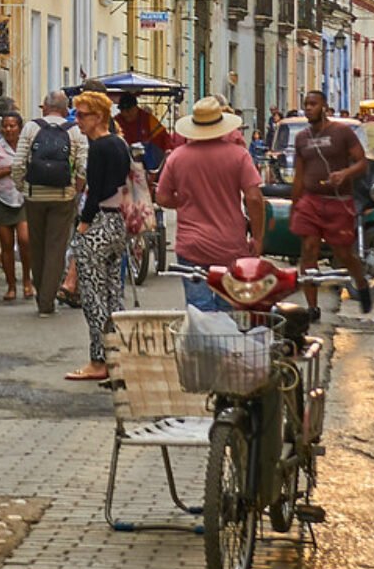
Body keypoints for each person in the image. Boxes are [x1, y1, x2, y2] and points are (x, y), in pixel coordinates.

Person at [155, 97, 265, 312]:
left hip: (191, 244)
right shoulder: (239, 155)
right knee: (228, 306)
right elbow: (253, 197)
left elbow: (162, 197)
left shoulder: (177, 157)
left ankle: (204, 345)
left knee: (200, 311)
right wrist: (258, 237)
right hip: (230, 244)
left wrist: (185, 202)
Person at [289, 90, 373, 319]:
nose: (308, 108)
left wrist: (345, 173)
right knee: (308, 250)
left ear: (325, 107)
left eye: (313, 104)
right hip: (311, 201)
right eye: (306, 104)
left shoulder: (342, 132)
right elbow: (299, 174)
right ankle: (312, 308)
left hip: (338, 201)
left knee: (343, 253)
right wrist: (294, 205)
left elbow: (362, 163)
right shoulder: (301, 138)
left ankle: (361, 282)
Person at [65, 91, 129, 382]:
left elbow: (96, 190)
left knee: (93, 296)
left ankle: (99, 359)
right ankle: (119, 355)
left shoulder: (100, 147)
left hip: (100, 222)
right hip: (118, 223)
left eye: (82, 115)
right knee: (114, 293)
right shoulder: (120, 144)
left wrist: (83, 223)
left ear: (99, 117)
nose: (77, 120)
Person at [11, 91, 89, 316]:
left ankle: (40, 291)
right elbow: (83, 166)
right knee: (56, 247)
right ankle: (46, 301)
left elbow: (18, 164)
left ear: (44, 107)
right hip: (63, 196)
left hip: (34, 194)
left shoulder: (31, 128)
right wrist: (76, 188)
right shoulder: (75, 130)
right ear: (66, 109)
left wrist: (22, 186)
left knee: (37, 245)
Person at [0, 112, 32, 301]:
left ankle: (27, 280)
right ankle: (11, 285)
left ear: (20, 127)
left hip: (22, 198)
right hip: (1, 199)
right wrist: (11, 169)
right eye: (5, 125)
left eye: (13, 125)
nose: (9, 129)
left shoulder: (27, 147)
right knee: (6, 244)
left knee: (25, 240)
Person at [115, 93, 170, 172]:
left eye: (130, 110)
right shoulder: (116, 122)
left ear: (136, 108)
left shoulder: (148, 119)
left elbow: (164, 137)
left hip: (148, 164)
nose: (127, 114)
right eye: (123, 111)